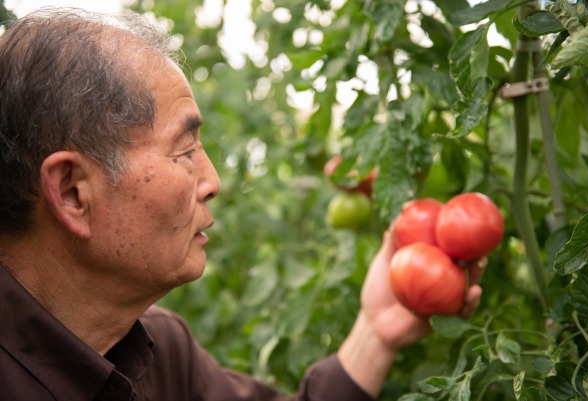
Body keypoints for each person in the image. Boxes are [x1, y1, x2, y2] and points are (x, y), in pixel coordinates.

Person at [0, 7, 483, 401]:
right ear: (72, 192)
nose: (212, 182)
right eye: (184, 152)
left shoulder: (156, 350)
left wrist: (376, 333)